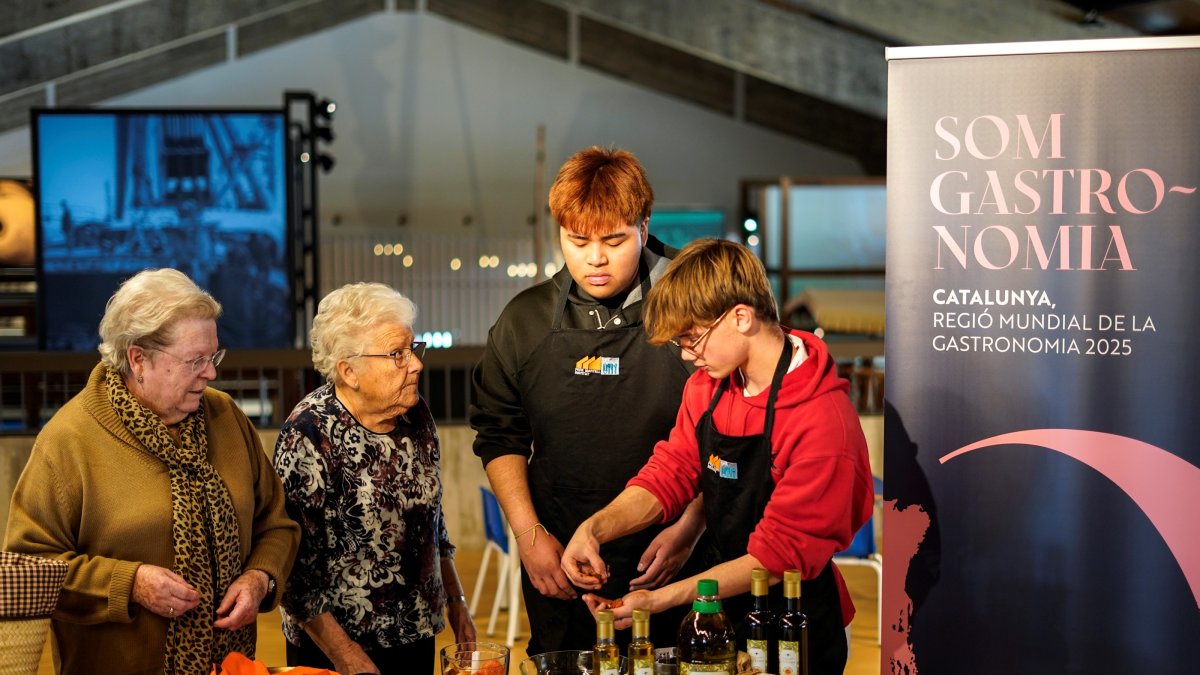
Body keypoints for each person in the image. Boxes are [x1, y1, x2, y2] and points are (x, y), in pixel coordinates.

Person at [561, 238, 875, 674]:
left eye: (693, 337)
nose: (688, 355)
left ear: (741, 317)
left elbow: (778, 555)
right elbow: (670, 472)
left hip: (795, 627)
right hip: (725, 616)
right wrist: (594, 529)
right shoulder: (709, 388)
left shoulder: (822, 421)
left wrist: (659, 600)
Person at [4, 268, 299, 674]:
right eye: (195, 360)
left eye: (214, 356)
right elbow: (29, 569)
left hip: (230, 665)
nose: (211, 373)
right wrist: (129, 584)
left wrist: (259, 578)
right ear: (138, 359)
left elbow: (277, 524)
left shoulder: (226, 416)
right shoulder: (68, 441)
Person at [470, 145, 703, 653]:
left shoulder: (693, 305)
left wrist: (690, 527)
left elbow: (731, 429)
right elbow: (498, 433)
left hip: (681, 556)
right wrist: (530, 537)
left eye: (615, 240)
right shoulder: (524, 321)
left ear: (644, 226)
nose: (594, 259)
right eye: (577, 241)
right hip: (562, 562)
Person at [273, 282, 476, 674]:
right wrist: (346, 657)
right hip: (334, 649)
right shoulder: (310, 432)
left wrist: (456, 601)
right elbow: (294, 573)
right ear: (349, 371)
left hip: (415, 634)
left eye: (412, 350)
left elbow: (433, 519)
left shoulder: (414, 414)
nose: (415, 364)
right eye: (396, 354)